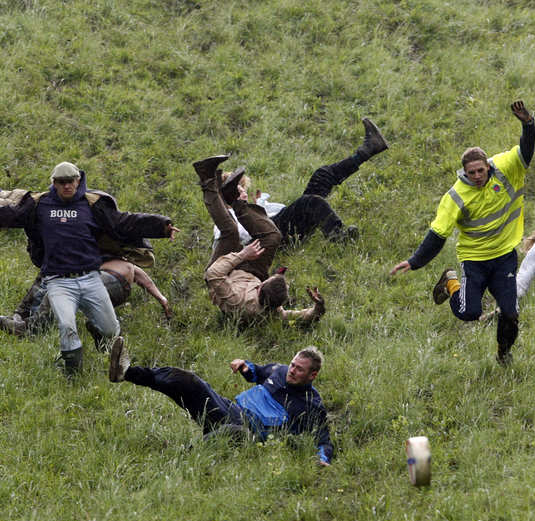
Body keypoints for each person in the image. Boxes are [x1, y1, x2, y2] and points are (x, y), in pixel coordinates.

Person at [390, 101, 535, 365]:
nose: (478, 176)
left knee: (510, 313)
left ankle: (504, 353)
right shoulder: (456, 196)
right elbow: (437, 234)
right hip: (475, 261)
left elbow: (526, 152)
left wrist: (528, 124)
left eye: (481, 170)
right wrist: (415, 261)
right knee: (468, 313)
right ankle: (450, 282)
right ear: (464, 172)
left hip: (504, 256)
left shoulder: (504, 168)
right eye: (472, 173)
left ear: (488, 166)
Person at [0, 162, 178, 374]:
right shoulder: (39, 205)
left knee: (111, 329)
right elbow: (11, 215)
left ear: (78, 180)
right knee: (67, 326)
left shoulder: (94, 205)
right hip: (59, 280)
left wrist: (161, 226)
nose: (67, 186)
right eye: (62, 182)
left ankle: (121, 367)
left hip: (90, 278)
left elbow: (124, 221)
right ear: (54, 183)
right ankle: (72, 375)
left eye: (71, 182)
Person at [108, 339, 333, 465]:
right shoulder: (279, 370)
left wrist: (322, 459)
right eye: (293, 364)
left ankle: (180, 460)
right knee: (189, 381)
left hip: (250, 432)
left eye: (299, 369)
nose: (292, 371)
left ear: (312, 375)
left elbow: (323, 439)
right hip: (230, 408)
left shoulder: (311, 404)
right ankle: (126, 372)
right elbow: (256, 371)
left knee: (233, 431)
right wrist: (244, 365)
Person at [212, 117, 388, 249]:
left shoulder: (249, 208)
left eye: (242, 187)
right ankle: (340, 237)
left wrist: (258, 207)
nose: (243, 192)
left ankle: (368, 149)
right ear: (226, 198)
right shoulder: (226, 222)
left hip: (284, 226)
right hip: (273, 240)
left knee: (321, 176)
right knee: (309, 201)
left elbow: (282, 210)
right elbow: (231, 245)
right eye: (237, 190)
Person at [193, 155, 325, 323]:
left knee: (230, 232)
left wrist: (243, 255)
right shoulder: (274, 311)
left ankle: (207, 179)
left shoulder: (236, 300)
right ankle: (235, 201)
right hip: (249, 271)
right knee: (273, 237)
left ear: (261, 285)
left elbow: (213, 275)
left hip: (223, 272)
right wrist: (319, 307)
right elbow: (301, 316)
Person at [0, 257, 172, 336]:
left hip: (116, 290)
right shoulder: (93, 253)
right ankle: (24, 324)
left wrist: (162, 299)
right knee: (53, 291)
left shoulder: (126, 262)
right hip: (100, 282)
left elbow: (146, 281)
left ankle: (98, 330)